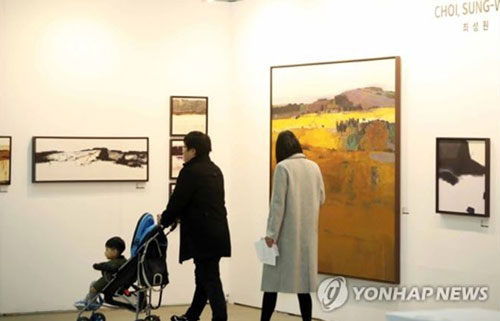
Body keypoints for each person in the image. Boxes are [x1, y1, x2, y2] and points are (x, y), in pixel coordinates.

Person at [159, 131, 231, 321]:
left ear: (193, 150)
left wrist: (164, 220)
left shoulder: (190, 171)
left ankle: (220, 318)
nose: (182, 151)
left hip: (202, 234)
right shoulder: (215, 170)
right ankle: (192, 316)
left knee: (209, 278)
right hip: (218, 231)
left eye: (184, 148)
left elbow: (178, 201)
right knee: (204, 277)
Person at [261, 130, 325, 321]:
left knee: (270, 284)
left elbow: (277, 206)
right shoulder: (314, 167)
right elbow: (321, 197)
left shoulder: (283, 168)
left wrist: (270, 234)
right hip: (307, 235)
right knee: (303, 287)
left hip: (283, 236)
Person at [74, 237, 127, 309]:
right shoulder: (122, 261)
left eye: (107, 250)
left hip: (109, 282)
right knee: (93, 283)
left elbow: (110, 267)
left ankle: (92, 303)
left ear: (115, 251)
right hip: (112, 282)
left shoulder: (116, 263)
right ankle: (87, 300)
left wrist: (98, 266)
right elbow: (108, 265)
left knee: (93, 288)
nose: (105, 252)